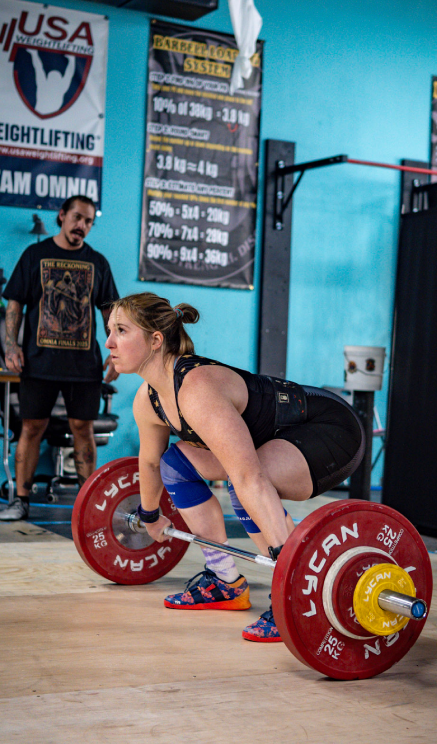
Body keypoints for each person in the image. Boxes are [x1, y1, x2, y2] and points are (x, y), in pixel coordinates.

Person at [105, 292, 365, 642]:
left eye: (120, 330)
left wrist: (286, 565)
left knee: (245, 483)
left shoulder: (195, 388)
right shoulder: (148, 400)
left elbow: (248, 476)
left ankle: (291, 592)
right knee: (176, 464)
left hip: (328, 428)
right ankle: (225, 580)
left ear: (155, 340)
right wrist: (149, 516)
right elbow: (150, 462)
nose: (108, 342)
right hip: (273, 440)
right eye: (109, 330)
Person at [0, 195, 119, 521]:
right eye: (78, 217)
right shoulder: (34, 255)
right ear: (62, 216)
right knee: (31, 427)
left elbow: (111, 314)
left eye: (89, 221)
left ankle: (88, 506)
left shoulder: (97, 263)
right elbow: (14, 305)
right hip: (38, 362)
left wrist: (116, 354)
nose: (82, 225)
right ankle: (20, 501)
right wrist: (11, 346)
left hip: (84, 366)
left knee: (83, 428)